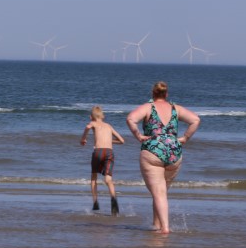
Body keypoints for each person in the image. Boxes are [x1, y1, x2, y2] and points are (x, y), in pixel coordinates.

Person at [126, 81, 201, 234]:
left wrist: (138, 135)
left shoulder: (149, 107)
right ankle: (156, 224)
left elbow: (131, 119)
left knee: (158, 193)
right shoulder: (175, 108)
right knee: (161, 192)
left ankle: (165, 229)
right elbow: (195, 120)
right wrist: (185, 138)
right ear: (166, 94)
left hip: (153, 150)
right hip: (174, 151)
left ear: (153, 93)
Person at [80, 105, 125, 215]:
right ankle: (113, 199)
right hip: (109, 153)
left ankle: (95, 202)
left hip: (98, 152)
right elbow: (122, 140)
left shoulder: (93, 123)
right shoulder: (109, 126)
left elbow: (87, 127)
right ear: (102, 116)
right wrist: (110, 140)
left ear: (91, 117)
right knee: (108, 179)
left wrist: (83, 138)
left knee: (94, 177)